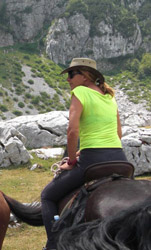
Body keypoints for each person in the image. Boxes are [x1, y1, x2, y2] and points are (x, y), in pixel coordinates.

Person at [41, 58, 128, 250]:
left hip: (93, 161)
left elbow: (72, 131)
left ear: (86, 75)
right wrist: (84, 149)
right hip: (120, 160)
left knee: (47, 196)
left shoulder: (79, 92)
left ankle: (54, 245)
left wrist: (72, 160)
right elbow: (118, 134)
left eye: (72, 74)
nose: (68, 79)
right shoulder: (109, 97)